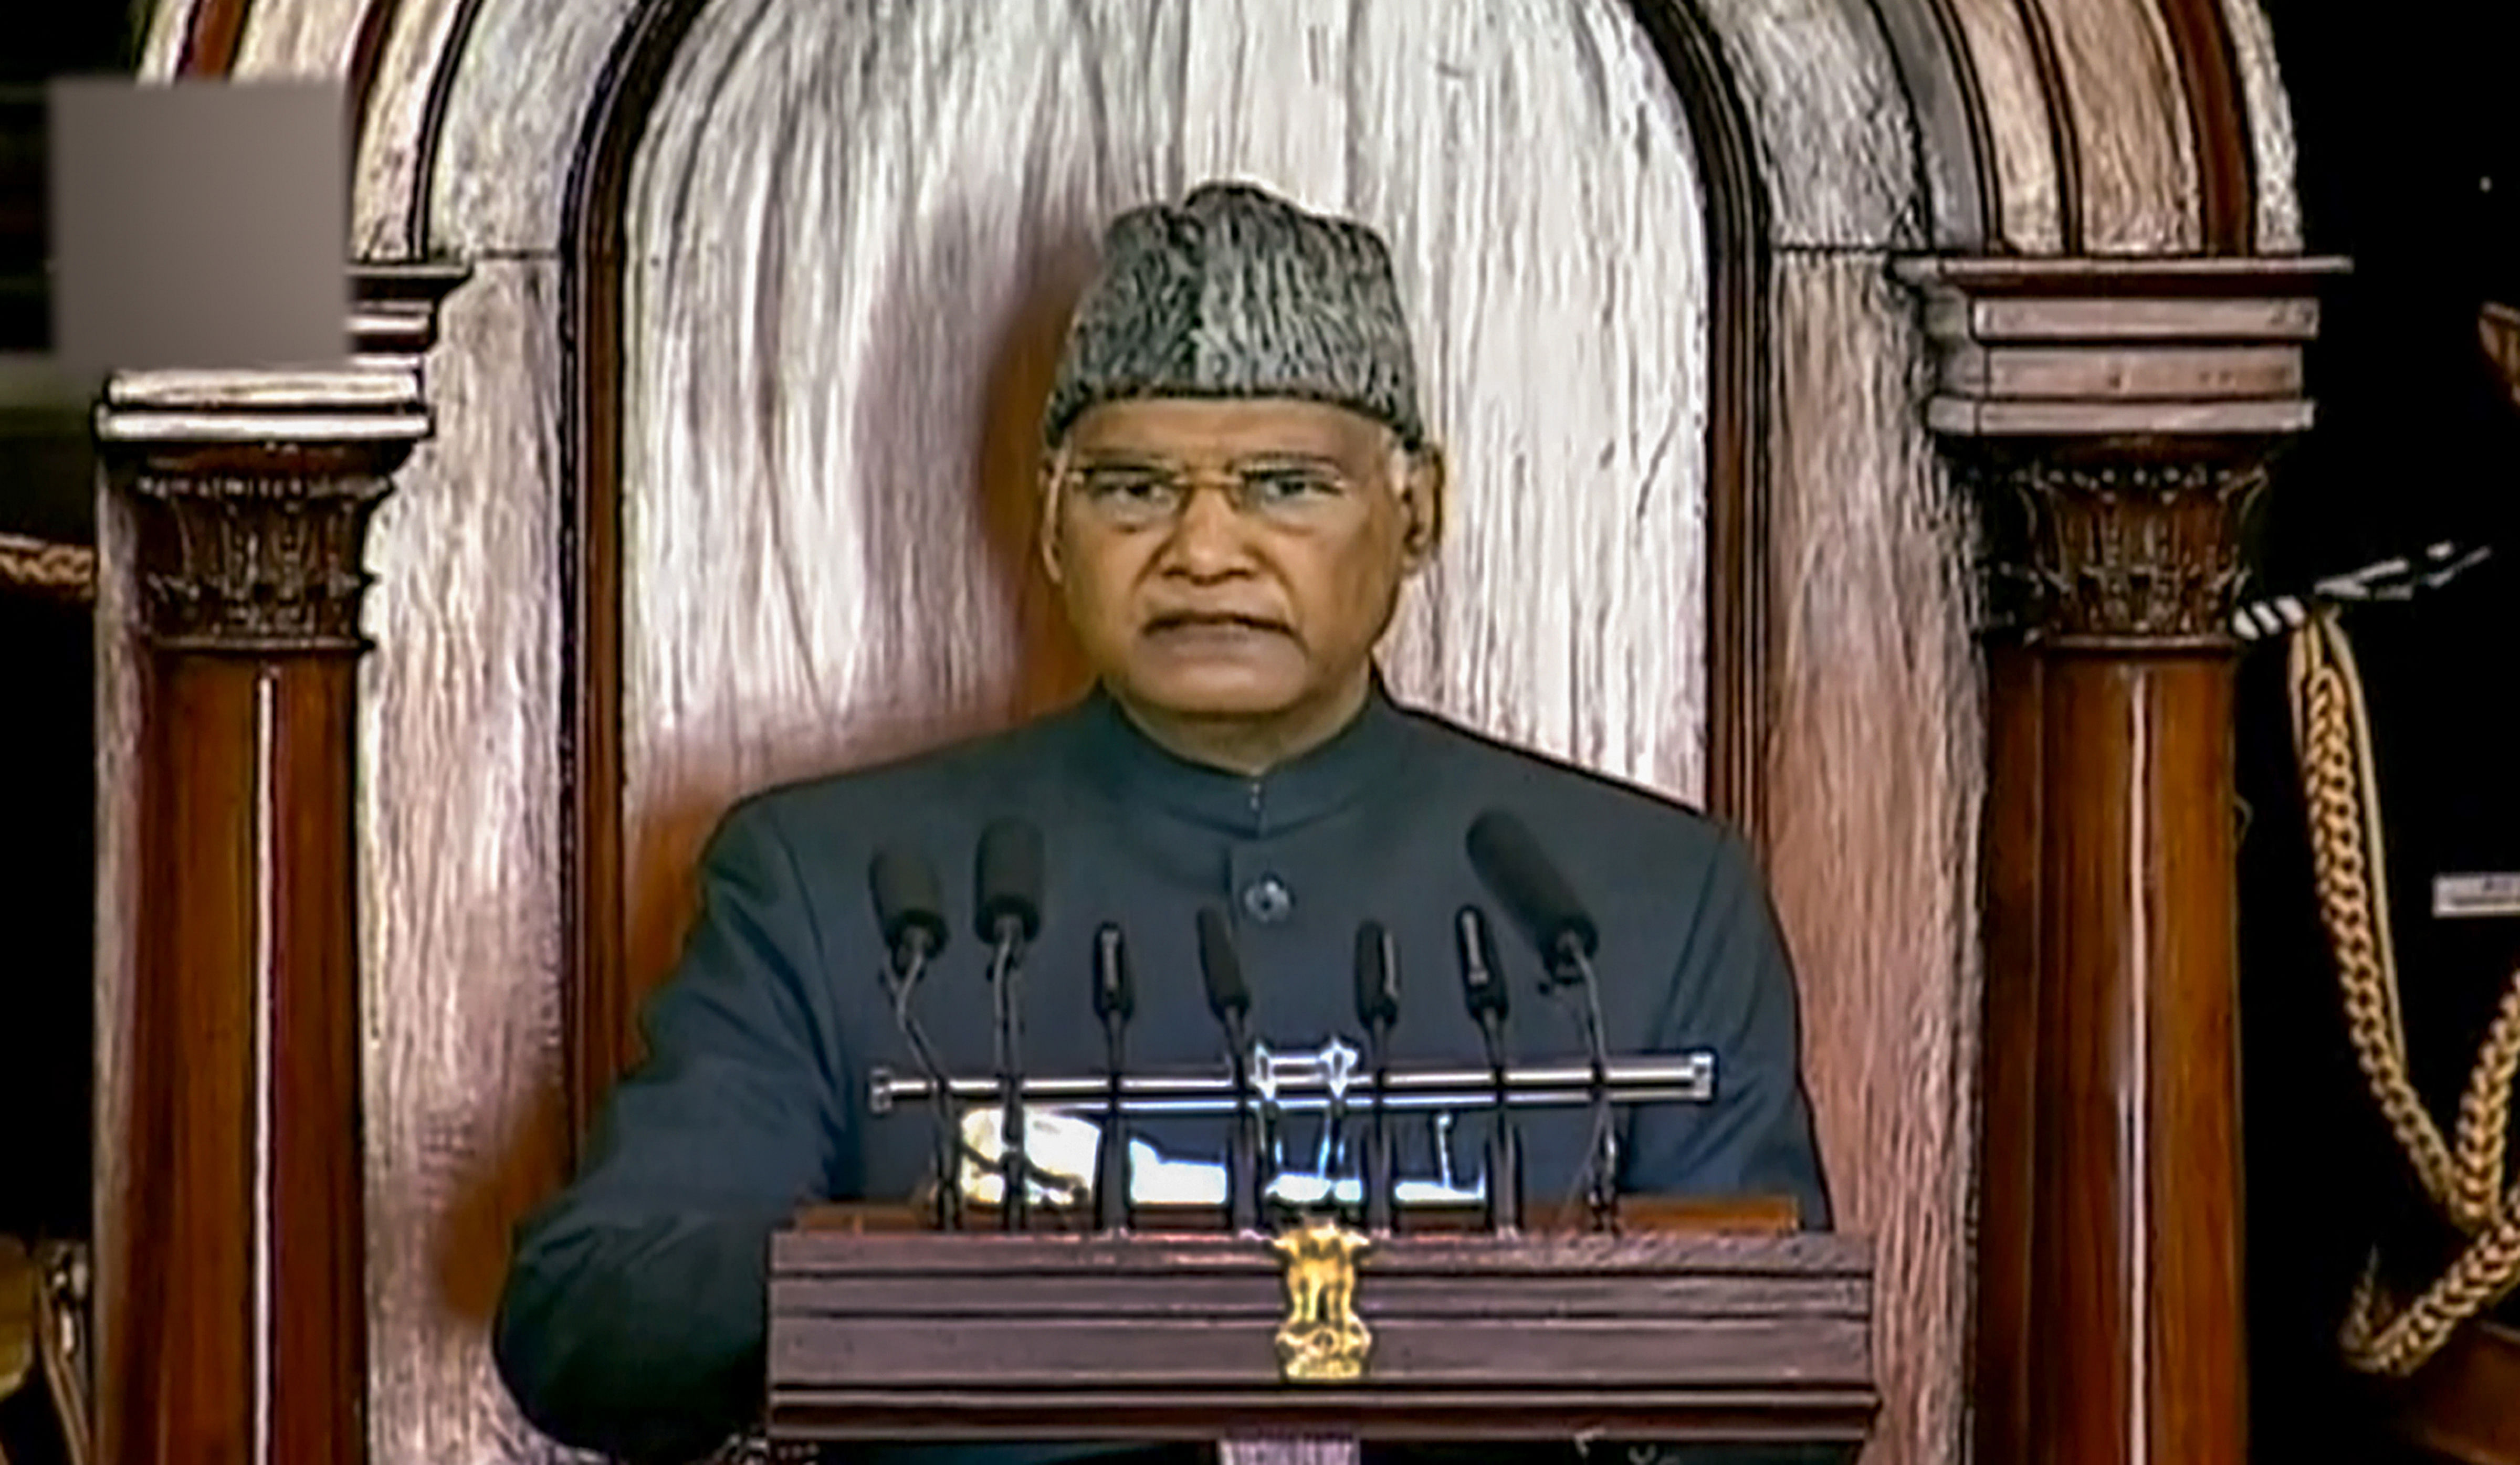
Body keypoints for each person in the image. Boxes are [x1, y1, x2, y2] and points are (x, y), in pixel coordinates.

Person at [493, 181, 1830, 1464]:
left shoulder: (1645, 901)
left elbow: (1780, 1400)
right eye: (1134, 487)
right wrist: (916, 1268)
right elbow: (589, 1316)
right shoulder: (832, 882)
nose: (1202, 548)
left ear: (1419, 510)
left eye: (1284, 486)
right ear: (1053, 517)